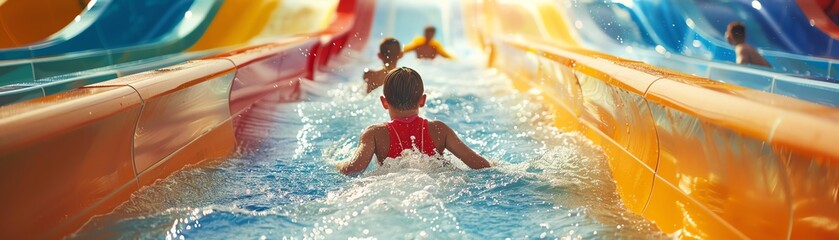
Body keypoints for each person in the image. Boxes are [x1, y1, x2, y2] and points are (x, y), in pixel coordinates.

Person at [338, 67, 491, 175]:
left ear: (384, 102)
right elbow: (480, 165)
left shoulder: (374, 134)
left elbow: (353, 169)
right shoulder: (439, 130)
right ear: (422, 100)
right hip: (437, 184)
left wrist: (335, 164)